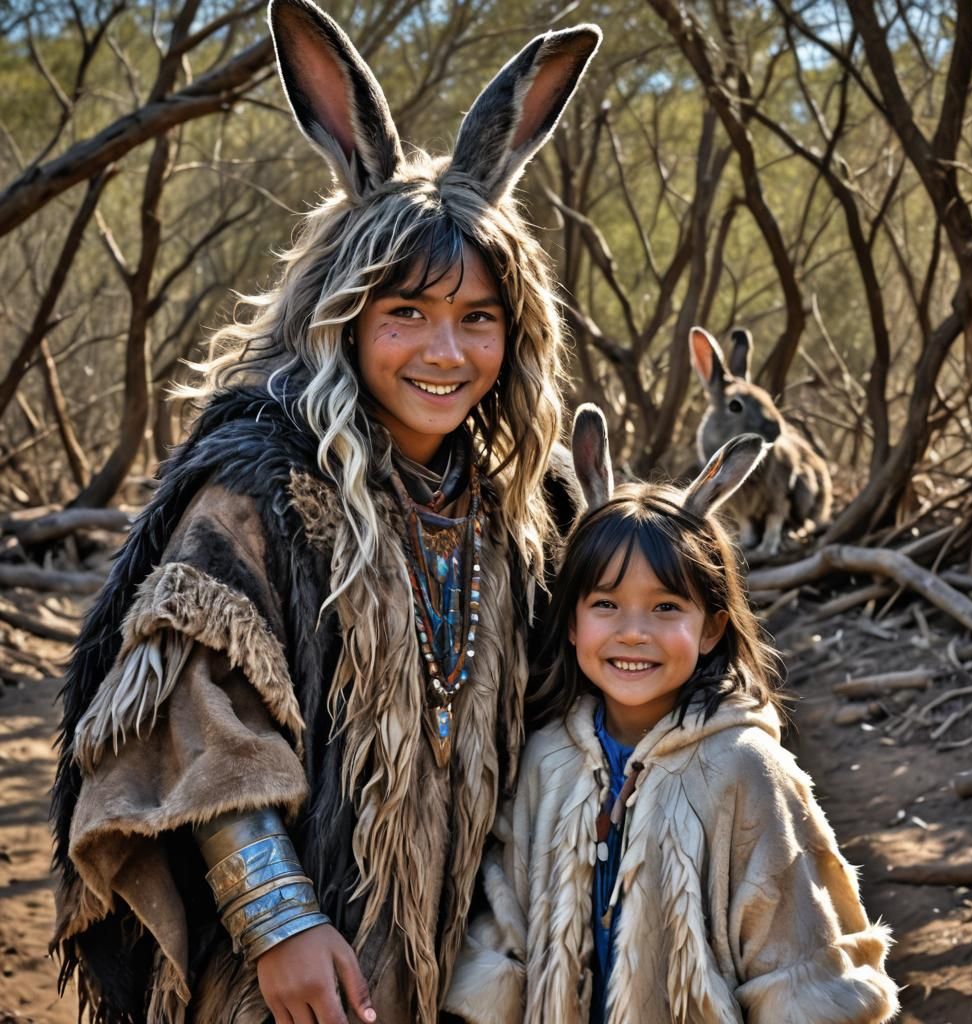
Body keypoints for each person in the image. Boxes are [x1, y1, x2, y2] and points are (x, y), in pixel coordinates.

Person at [50, 3, 599, 1022]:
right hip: (293, 974)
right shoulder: (259, 485)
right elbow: (199, 706)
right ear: (346, 314)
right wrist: (278, 917)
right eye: (407, 315)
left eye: (476, 319)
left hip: (478, 959)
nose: (445, 353)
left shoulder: (525, 506)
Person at [444, 406, 900, 1024]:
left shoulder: (747, 770)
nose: (634, 633)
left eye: (664, 607)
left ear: (711, 628)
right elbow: (506, 930)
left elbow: (803, 971)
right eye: (606, 603)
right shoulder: (546, 758)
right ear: (572, 623)